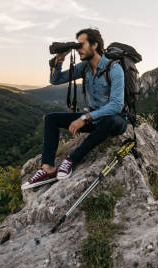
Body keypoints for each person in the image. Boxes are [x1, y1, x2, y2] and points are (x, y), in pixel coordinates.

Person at [21, 28, 127, 189]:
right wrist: (59, 59)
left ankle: (72, 159)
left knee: (111, 119)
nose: (78, 49)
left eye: (81, 45)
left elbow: (116, 105)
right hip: (95, 119)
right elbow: (56, 80)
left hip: (115, 120)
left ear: (94, 45)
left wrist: (84, 118)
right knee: (51, 118)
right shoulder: (84, 67)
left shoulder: (114, 69)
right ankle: (47, 168)